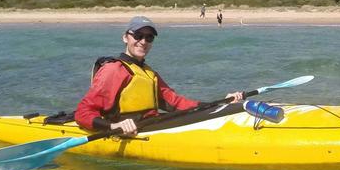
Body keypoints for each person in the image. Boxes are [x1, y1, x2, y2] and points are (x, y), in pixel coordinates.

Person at [75, 16, 243, 135]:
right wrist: (113, 126)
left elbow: (176, 103)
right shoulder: (113, 70)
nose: (143, 41)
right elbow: (83, 112)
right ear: (125, 38)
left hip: (152, 124)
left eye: (149, 38)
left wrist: (220, 104)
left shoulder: (149, 73)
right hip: (127, 130)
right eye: (138, 35)